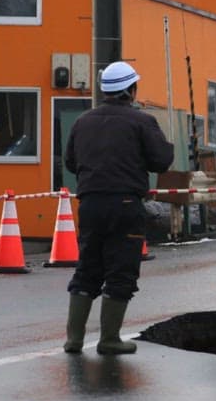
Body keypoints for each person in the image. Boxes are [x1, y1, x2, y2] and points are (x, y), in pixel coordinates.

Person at [62, 61, 175, 355]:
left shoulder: (82, 121)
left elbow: (71, 162)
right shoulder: (141, 122)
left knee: (88, 268)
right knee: (121, 271)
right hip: (125, 204)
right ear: (130, 90)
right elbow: (161, 160)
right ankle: (109, 339)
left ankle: (73, 340)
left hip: (89, 204)